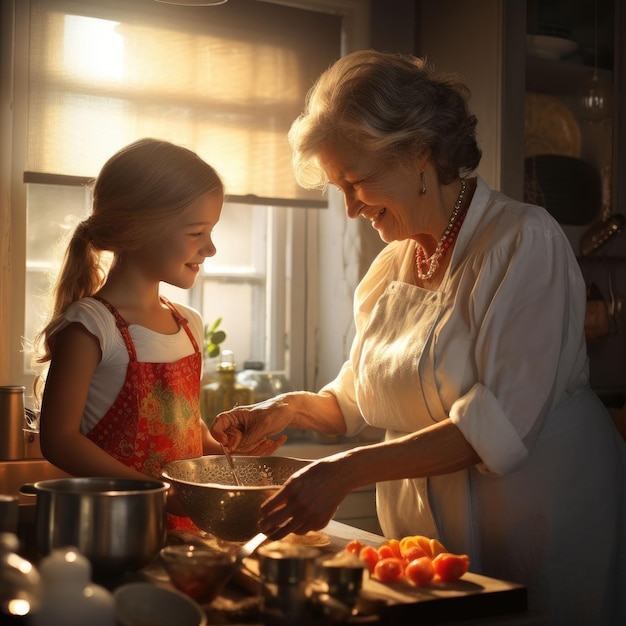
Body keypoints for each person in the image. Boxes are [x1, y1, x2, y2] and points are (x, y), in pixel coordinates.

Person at [210, 50, 626, 624]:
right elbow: (358, 398)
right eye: (340, 189)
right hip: (434, 542)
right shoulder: (391, 266)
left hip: (545, 519)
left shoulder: (523, 241)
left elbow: (496, 428)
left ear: (420, 152)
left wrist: (344, 470)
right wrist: (281, 410)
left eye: (358, 181)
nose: (352, 208)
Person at [33, 138, 225, 529]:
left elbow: (188, 425)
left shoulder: (189, 324)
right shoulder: (91, 326)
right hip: (113, 529)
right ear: (140, 228)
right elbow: (59, 440)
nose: (211, 248)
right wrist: (159, 494)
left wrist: (227, 454)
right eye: (196, 233)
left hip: (186, 532)